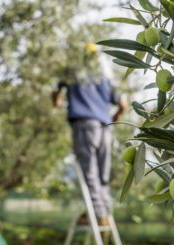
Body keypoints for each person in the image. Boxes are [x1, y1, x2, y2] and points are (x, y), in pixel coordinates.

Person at [52, 43, 127, 226]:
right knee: (102, 175)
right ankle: (104, 213)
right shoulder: (103, 78)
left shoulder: (73, 73)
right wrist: (114, 119)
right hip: (105, 127)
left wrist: (57, 101)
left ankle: (99, 216)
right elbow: (123, 105)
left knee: (90, 173)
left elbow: (56, 93)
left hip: (85, 125)